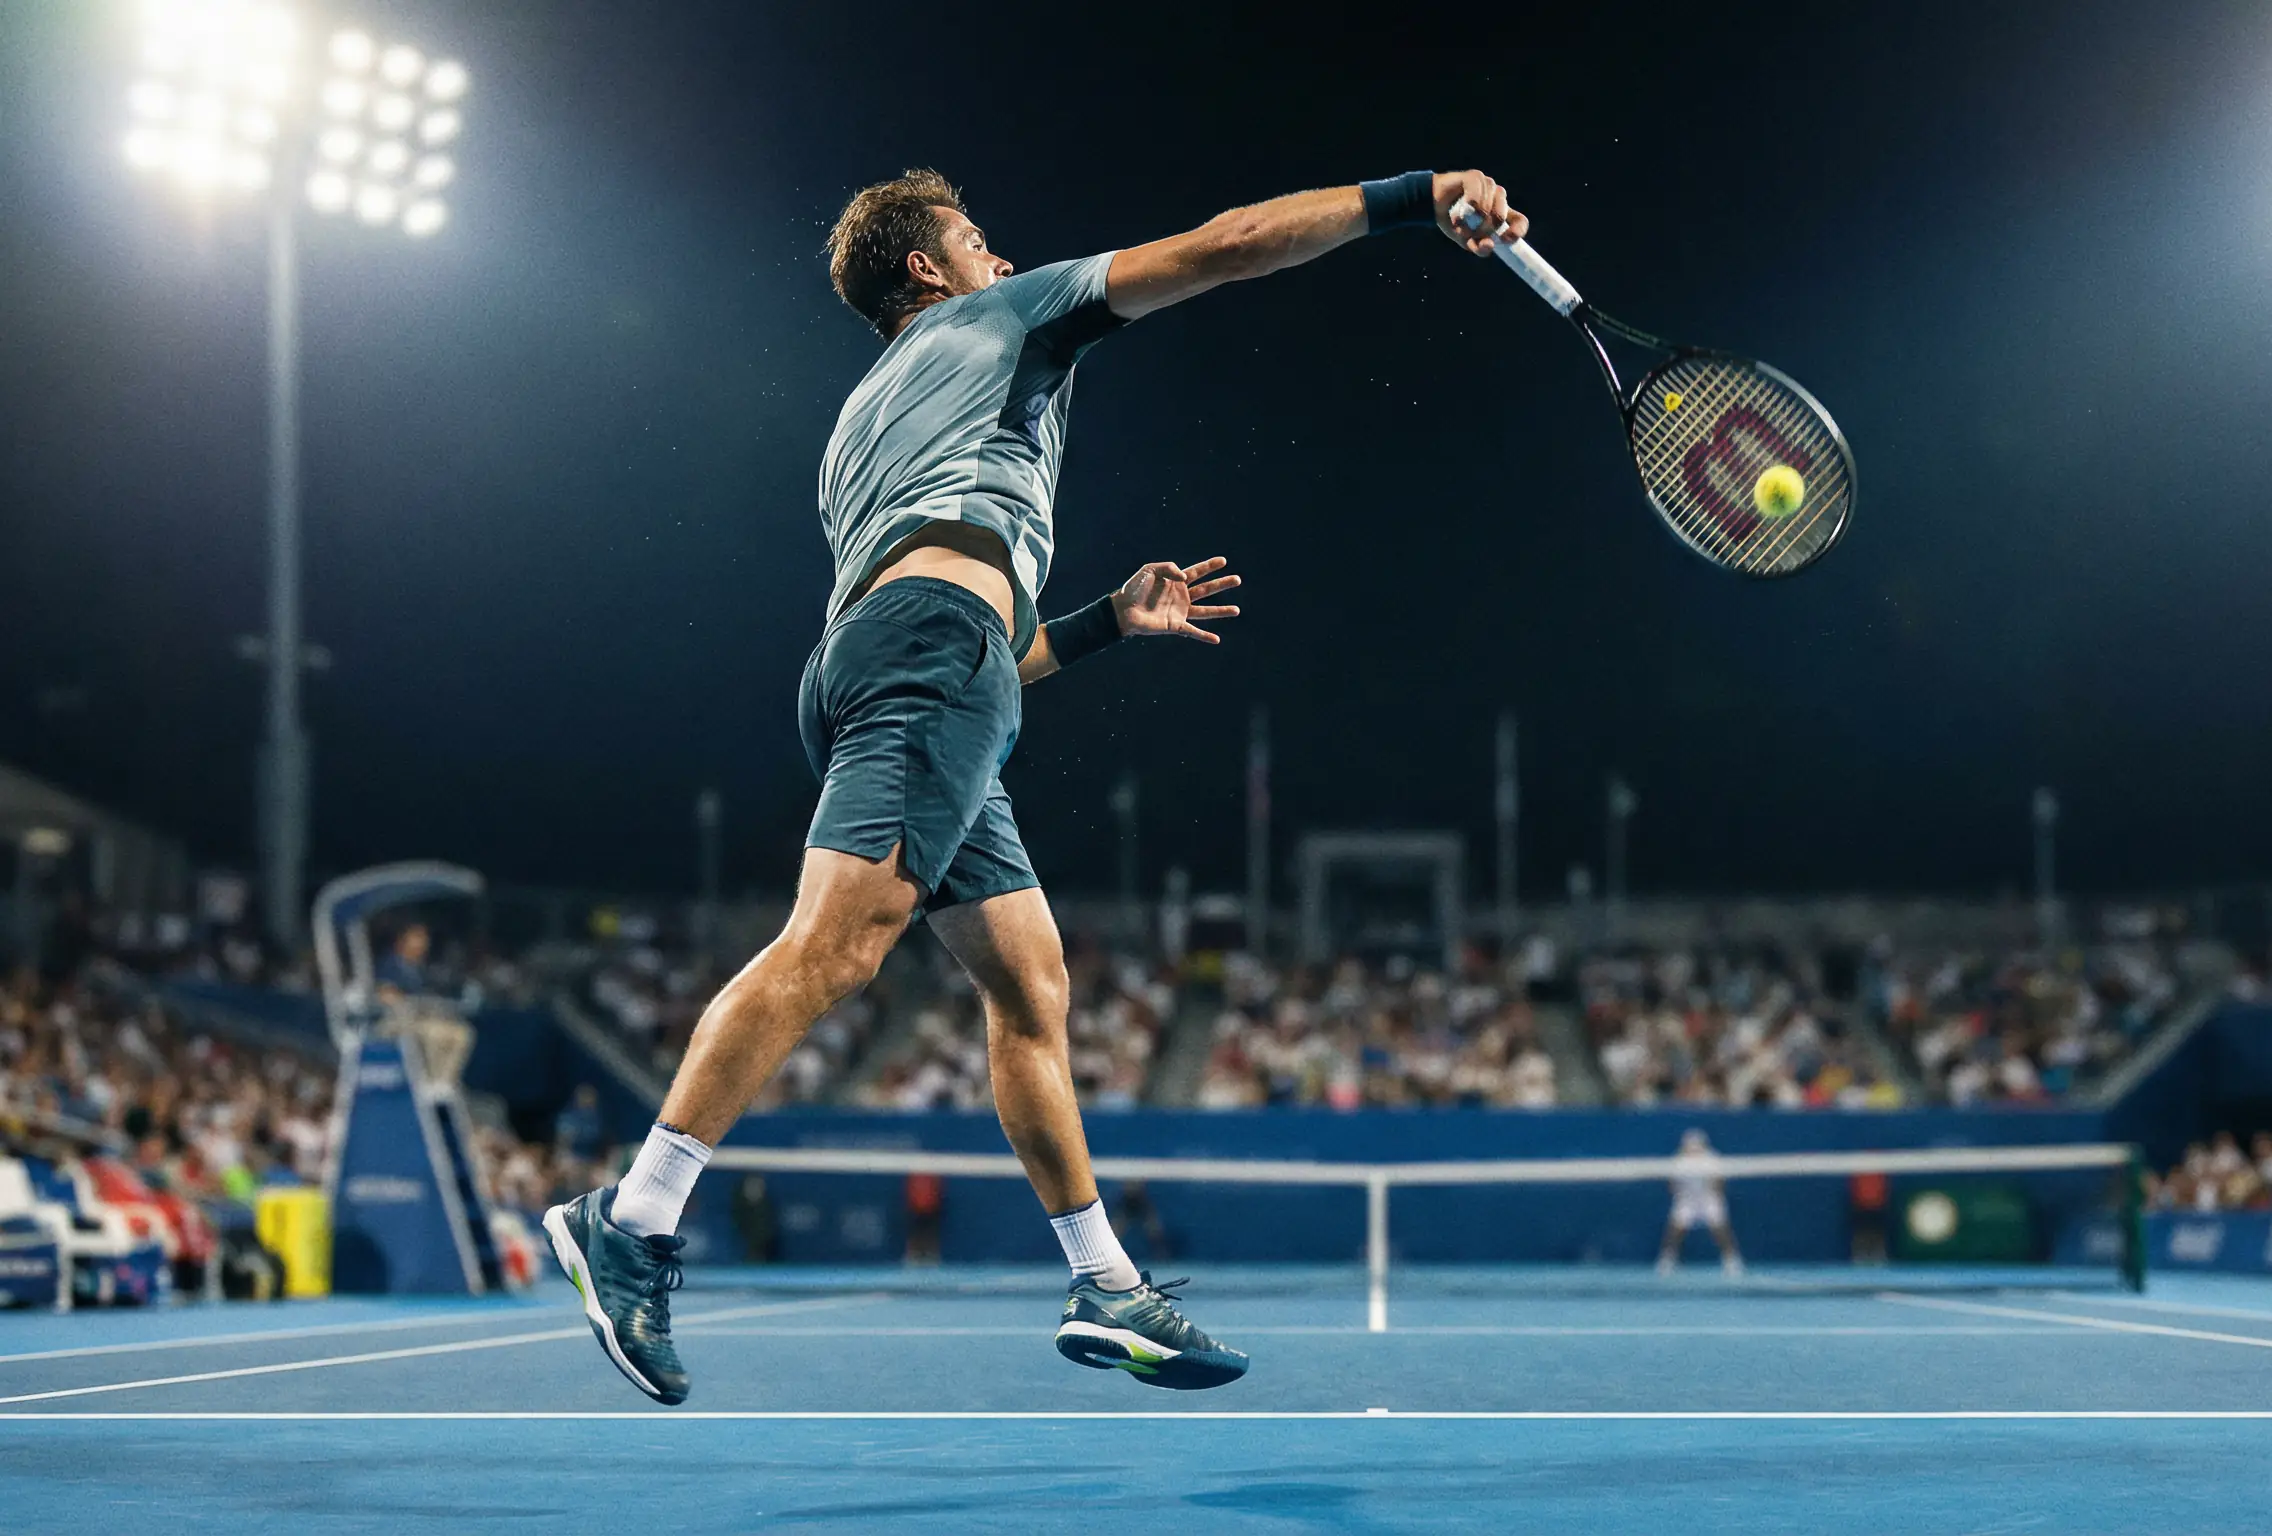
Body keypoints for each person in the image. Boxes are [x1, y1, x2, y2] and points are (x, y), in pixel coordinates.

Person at [543, 164, 1532, 1405]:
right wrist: (1412, 195)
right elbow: (1226, 243)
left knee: (1031, 987)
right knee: (840, 949)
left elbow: (984, 636)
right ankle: (631, 1220)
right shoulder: (998, 319)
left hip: (928, 661)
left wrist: (1108, 623)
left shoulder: (861, 424)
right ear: (927, 271)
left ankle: (1104, 1281)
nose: (1003, 261)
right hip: (931, 657)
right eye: (979, 242)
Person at [1657, 1128, 1746, 1277]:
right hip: (1686, 1199)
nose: (1694, 1150)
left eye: (1697, 1146)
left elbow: (1719, 1182)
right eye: (1690, 1146)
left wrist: (1714, 1195)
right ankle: (1667, 1260)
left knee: (1720, 1229)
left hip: (1708, 1198)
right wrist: (1680, 1195)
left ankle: (1732, 1260)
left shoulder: (1712, 1159)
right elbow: (1671, 1184)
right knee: (1675, 1229)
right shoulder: (1679, 1161)